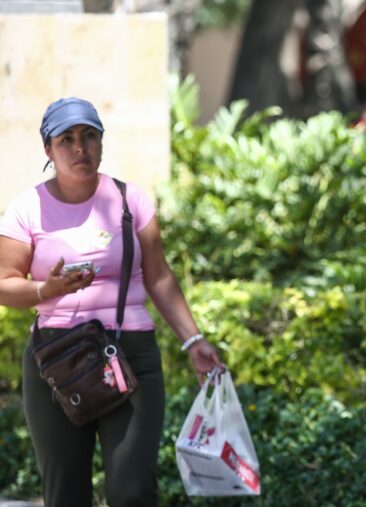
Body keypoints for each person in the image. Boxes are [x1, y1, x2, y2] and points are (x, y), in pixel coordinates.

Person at [0, 97, 223, 507]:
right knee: (65, 494)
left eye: (89, 136)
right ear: (48, 150)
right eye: (66, 139)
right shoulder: (26, 208)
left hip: (129, 353)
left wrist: (194, 341)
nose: (79, 147)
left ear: (101, 142)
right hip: (55, 359)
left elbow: (158, 275)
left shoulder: (129, 200)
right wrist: (44, 291)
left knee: (132, 491)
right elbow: (3, 283)